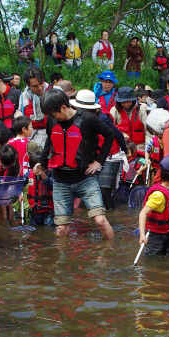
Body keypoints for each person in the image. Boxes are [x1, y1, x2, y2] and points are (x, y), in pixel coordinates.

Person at [38, 88, 116, 238]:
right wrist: (42, 163)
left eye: (53, 114)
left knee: (100, 220)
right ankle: (61, 260)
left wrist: (98, 162)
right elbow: (50, 141)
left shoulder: (88, 119)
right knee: (61, 228)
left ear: (63, 107)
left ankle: (108, 257)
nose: (52, 117)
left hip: (85, 179)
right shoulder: (51, 121)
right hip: (60, 180)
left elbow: (110, 134)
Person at [138, 154, 169, 256]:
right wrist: (142, 234)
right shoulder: (159, 195)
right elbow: (143, 213)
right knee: (153, 259)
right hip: (155, 235)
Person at [16, 65, 50, 146]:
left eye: (41, 83)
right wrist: (18, 114)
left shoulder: (53, 92)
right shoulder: (24, 96)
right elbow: (20, 111)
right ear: (28, 85)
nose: (40, 88)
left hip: (50, 133)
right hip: (32, 134)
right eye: (35, 86)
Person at [26, 148, 54, 226]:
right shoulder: (29, 174)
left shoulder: (50, 174)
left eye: (43, 169)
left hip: (48, 212)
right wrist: (19, 194)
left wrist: (44, 176)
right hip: (34, 212)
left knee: (48, 230)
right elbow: (20, 183)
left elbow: (53, 186)